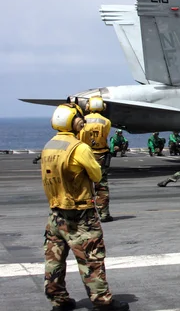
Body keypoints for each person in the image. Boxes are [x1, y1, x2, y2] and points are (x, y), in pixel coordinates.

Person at [41, 102, 129, 311]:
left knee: (54, 259)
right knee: (92, 258)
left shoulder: (49, 146)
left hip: (55, 214)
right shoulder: (79, 148)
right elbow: (97, 175)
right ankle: (102, 302)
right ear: (76, 121)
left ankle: (58, 300)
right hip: (81, 215)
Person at [79, 96, 113, 222]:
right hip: (100, 155)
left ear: (88, 106)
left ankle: (84, 214)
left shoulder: (82, 121)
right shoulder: (106, 122)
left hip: (84, 154)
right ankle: (104, 214)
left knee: (83, 185)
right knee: (101, 186)